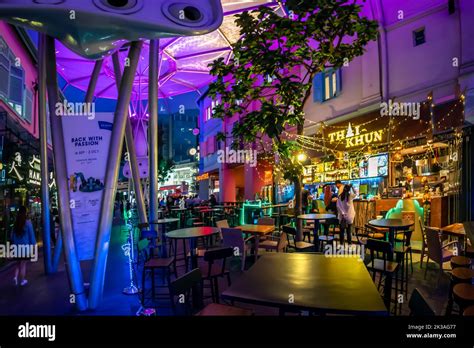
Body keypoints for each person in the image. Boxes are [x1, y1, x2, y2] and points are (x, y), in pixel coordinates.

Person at [10, 206, 37, 286]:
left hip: (16, 247)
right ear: (25, 213)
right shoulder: (28, 223)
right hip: (25, 247)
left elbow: (11, 236)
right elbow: (31, 235)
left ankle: (15, 277)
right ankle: (22, 281)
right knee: (23, 265)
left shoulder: (16, 223)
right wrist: (34, 245)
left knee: (18, 264)